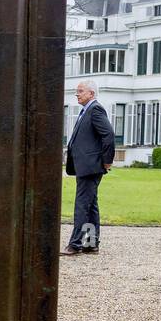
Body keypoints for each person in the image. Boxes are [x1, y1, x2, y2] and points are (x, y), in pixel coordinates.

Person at [62, 79, 115, 256]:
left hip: (91, 166)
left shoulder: (95, 109)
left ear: (91, 93)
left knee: (82, 205)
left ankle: (75, 244)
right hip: (85, 166)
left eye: (81, 91)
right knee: (91, 205)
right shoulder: (86, 111)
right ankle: (91, 244)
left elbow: (108, 135)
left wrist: (107, 161)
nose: (77, 94)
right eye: (77, 91)